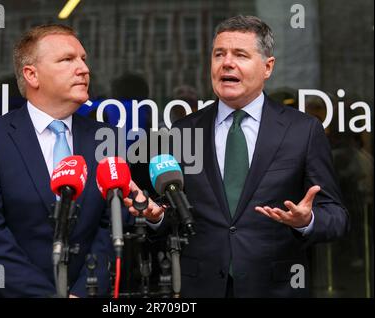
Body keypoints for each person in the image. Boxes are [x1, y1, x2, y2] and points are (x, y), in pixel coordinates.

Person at [147, 15, 349, 297]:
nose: (226, 62)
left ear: (268, 67)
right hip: (202, 289)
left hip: (276, 289)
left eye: (240, 54)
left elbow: (337, 216)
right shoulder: (183, 131)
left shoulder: (303, 131)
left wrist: (308, 220)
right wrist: (156, 217)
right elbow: (171, 215)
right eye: (219, 54)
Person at [0, 24, 139, 297]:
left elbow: (112, 227)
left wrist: (85, 291)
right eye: (67, 60)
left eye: (83, 59)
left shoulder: (107, 139)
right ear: (32, 74)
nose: (83, 69)